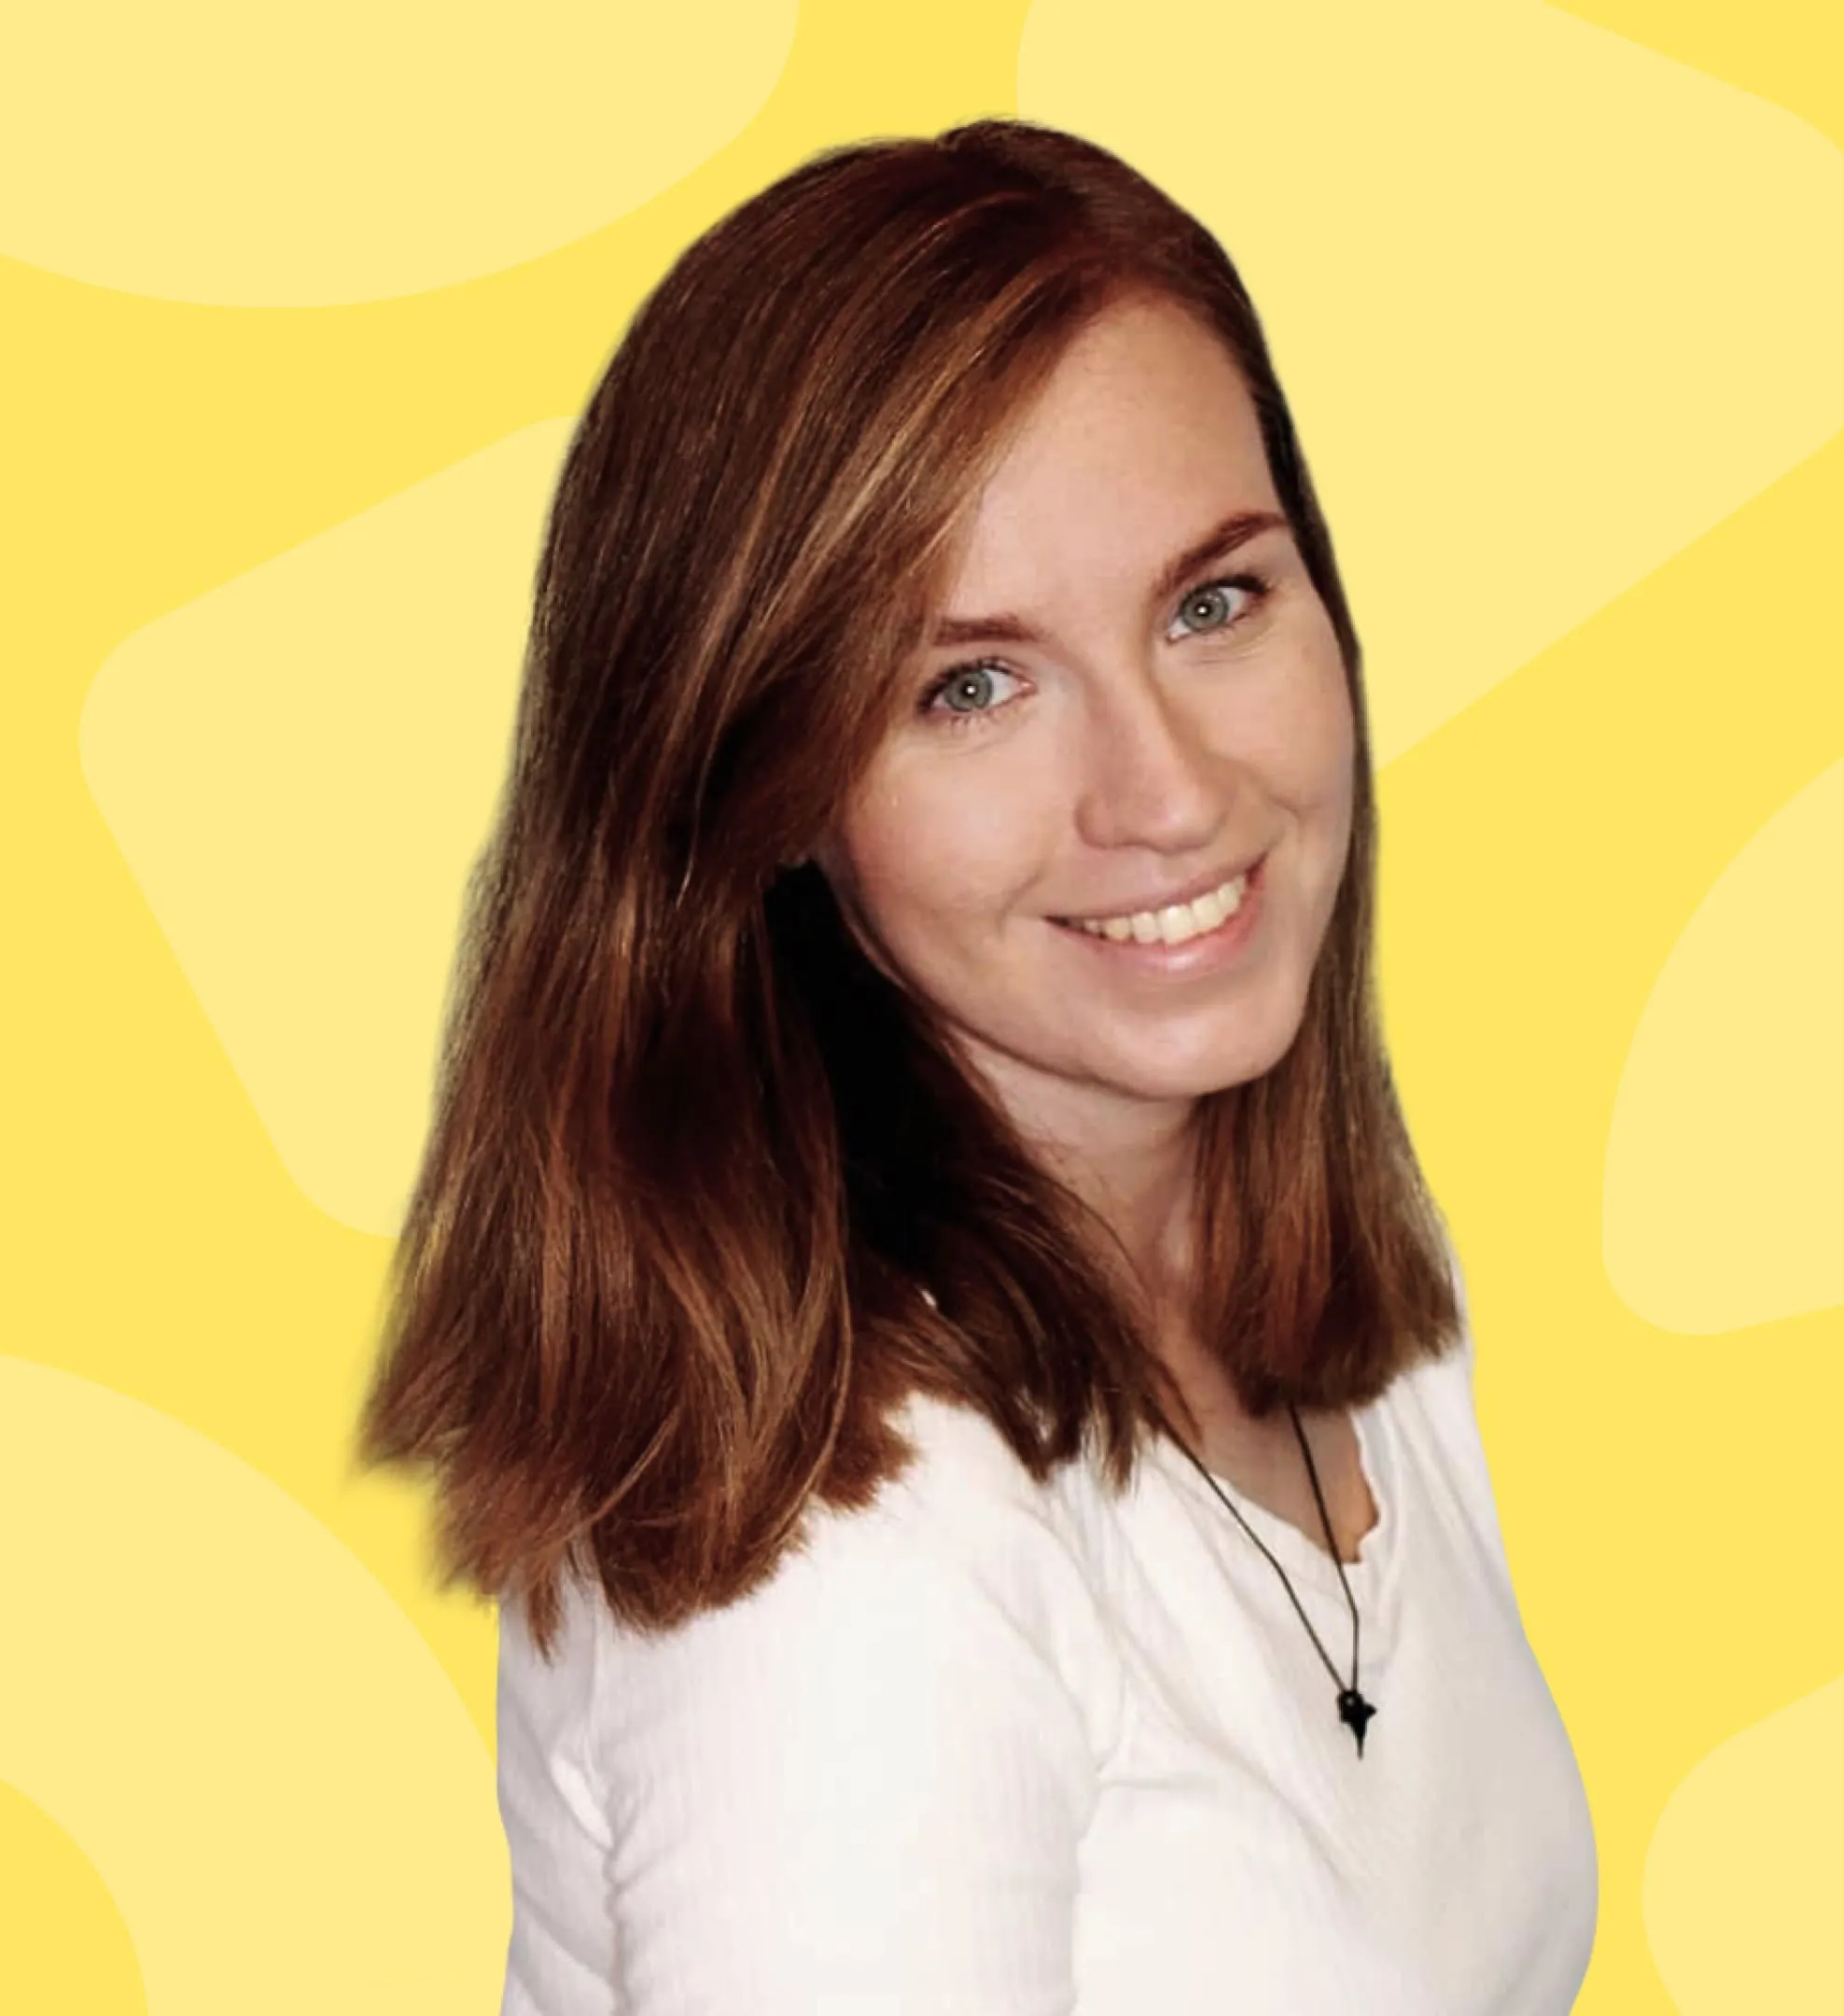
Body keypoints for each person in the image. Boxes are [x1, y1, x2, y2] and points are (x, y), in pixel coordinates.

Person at [361, 118, 1599, 2015]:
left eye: (1215, 601)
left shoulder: (1330, 1243)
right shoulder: (844, 1566)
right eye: (972, 687)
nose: (1173, 792)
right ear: (760, 792)